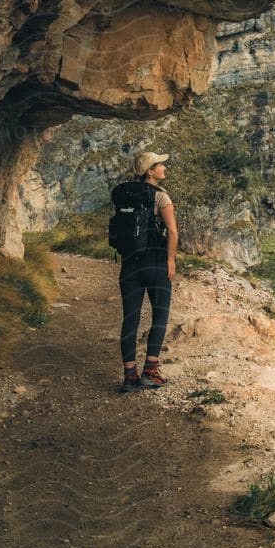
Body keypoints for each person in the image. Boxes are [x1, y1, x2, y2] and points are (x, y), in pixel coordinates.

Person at [118, 149, 178, 394]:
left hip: (129, 264)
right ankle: (151, 372)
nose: (164, 168)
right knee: (159, 315)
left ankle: (130, 377)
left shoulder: (125, 194)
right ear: (150, 172)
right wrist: (171, 260)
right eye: (159, 165)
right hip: (154, 262)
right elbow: (172, 231)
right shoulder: (160, 197)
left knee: (130, 318)